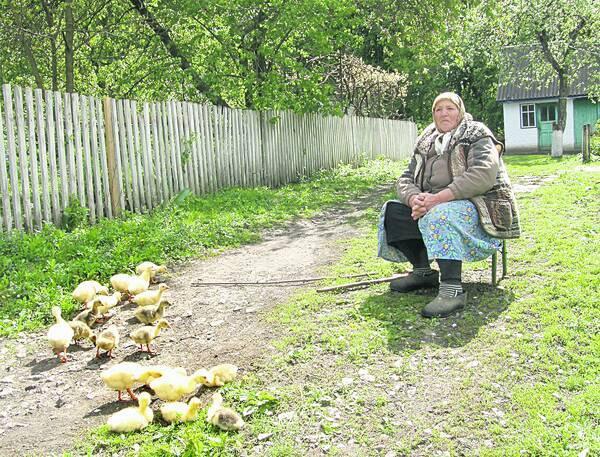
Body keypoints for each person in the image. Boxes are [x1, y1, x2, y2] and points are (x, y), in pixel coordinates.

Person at [378, 92, 520, 318]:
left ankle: (452, 290)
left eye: (450, 108)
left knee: (440, 214)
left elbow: (483, 174)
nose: (443, 113)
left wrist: (437, 199)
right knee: (393, 211)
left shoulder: (477, 133)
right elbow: (406, 177)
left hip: (476, 203)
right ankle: (423, 272)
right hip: (431, 203)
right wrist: (415, 199)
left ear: (460, 111)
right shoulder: (426, 140)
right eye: (438, 109)